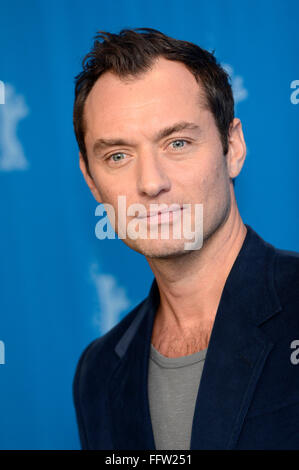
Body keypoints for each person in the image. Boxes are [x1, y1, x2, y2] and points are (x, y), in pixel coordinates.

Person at [72, 27, 299, 450]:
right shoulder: (98, 372)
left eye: (177, 142)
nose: (151, 182)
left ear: (232, 148)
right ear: (91, 181)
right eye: (118, 156)